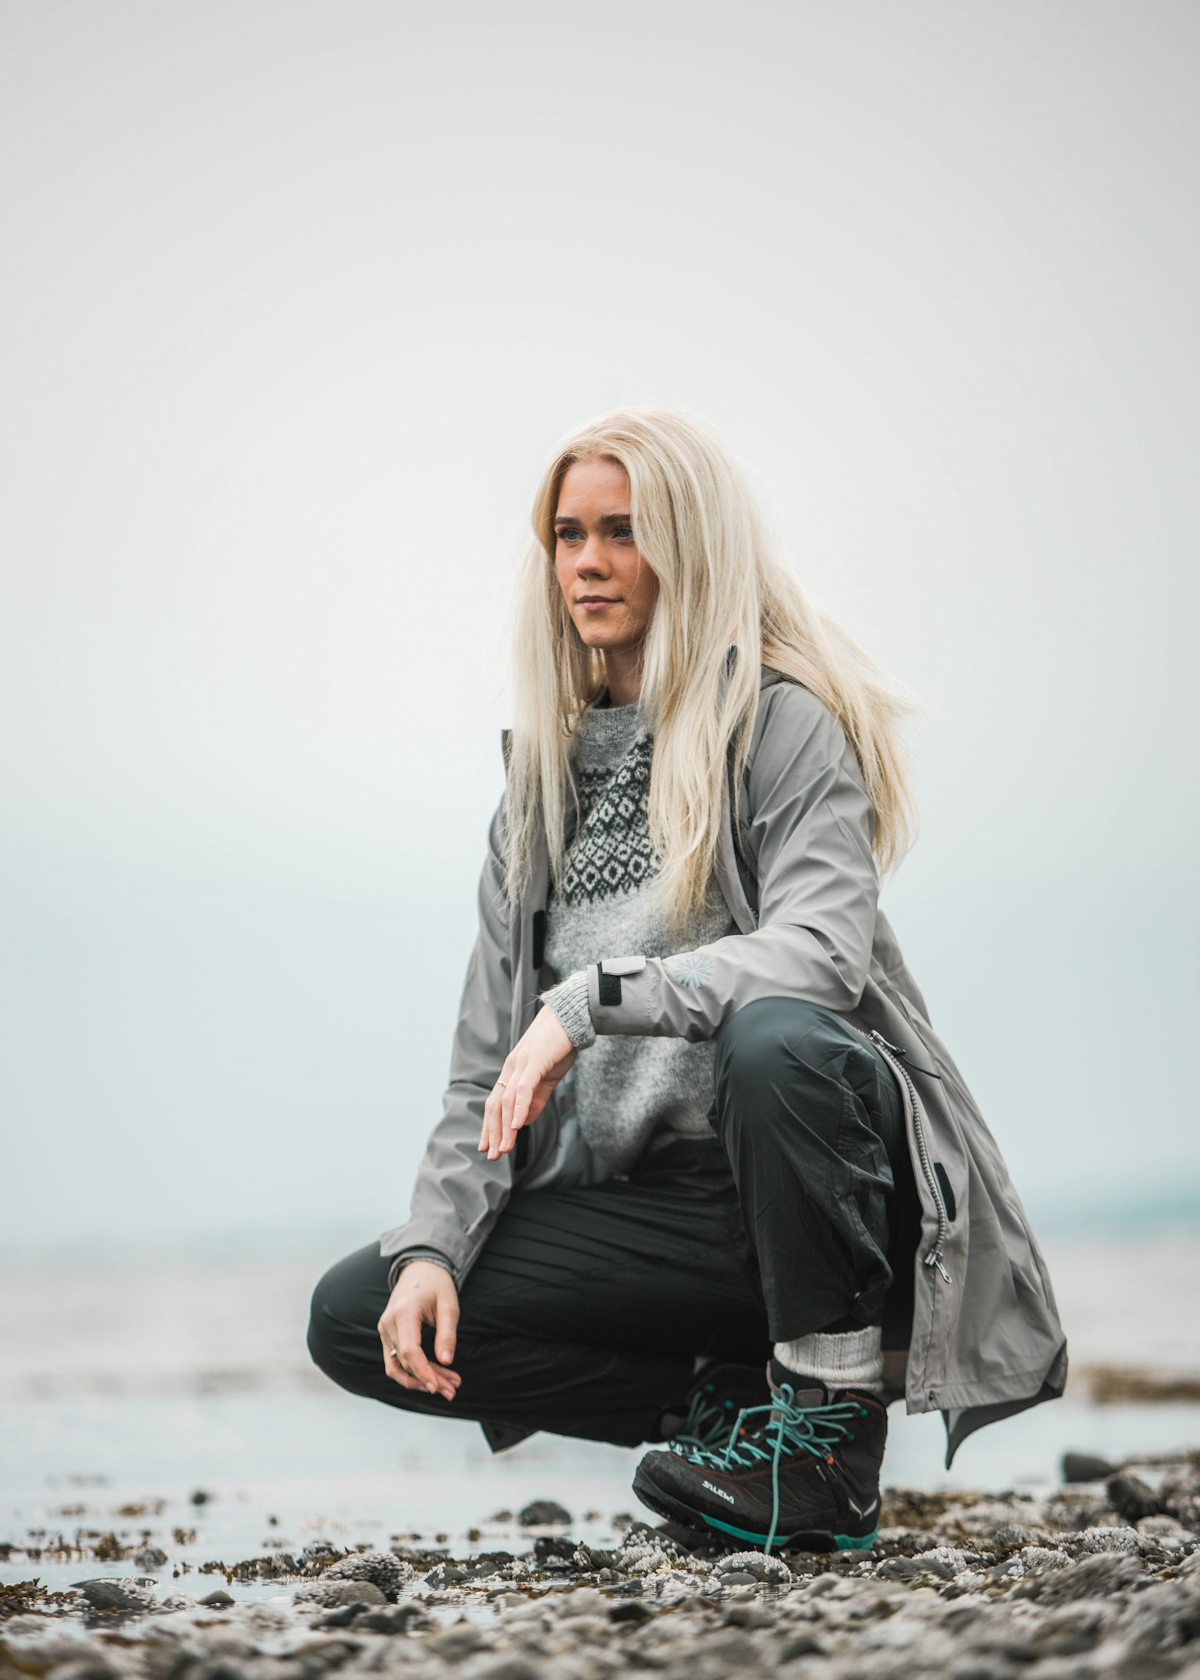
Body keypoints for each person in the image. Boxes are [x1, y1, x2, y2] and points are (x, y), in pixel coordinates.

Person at [308, 408, 1066, 1554]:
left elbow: (823, 951)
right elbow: (482, 1075)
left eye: (624, 531)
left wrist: (595, 1001)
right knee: (359, 1314)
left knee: (775, 1040)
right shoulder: (540, 793)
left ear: (691, 546)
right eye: (568, 535)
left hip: (824, 1189)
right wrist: (433, 1251)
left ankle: (826, 1445)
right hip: (666, 1221)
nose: (588, 562)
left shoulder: (781, 725)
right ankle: (725, 1409)